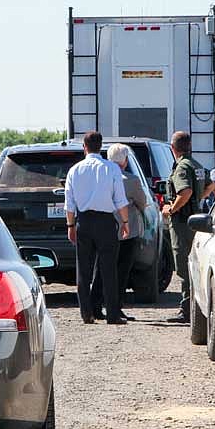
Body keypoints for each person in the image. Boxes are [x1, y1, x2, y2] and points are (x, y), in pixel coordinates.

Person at [64, 131, 130, 325]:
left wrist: (70, 225)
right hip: (105, 222)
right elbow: (120, 200)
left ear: (84, 147)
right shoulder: (111, 169)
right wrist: (125, 222)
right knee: (108, 268)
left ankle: (87, 313)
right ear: (101, 147)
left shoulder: (74, 170)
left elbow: (69, 203)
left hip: (83, 221)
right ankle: (112, 314)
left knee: (83, 269)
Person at [90, 143, 148, 321]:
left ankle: (95, 306)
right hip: (126, 231)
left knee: (100, 269)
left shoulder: (98, 177)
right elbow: (142, 202)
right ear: (124, 161)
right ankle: (116, 307)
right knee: (121, 271)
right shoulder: (130, 180)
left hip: (102, 229)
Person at [162, 131, 215, 323]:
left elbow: (185, 191)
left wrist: (172, 209)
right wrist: (196, 199)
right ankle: (195, 307)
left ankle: (186, 310)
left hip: (183, 222)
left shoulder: (182, 167)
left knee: (184, 265)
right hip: (195, 221)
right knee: (195, 263)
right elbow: (210, 185)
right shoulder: (197, 165)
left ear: (173, 148)